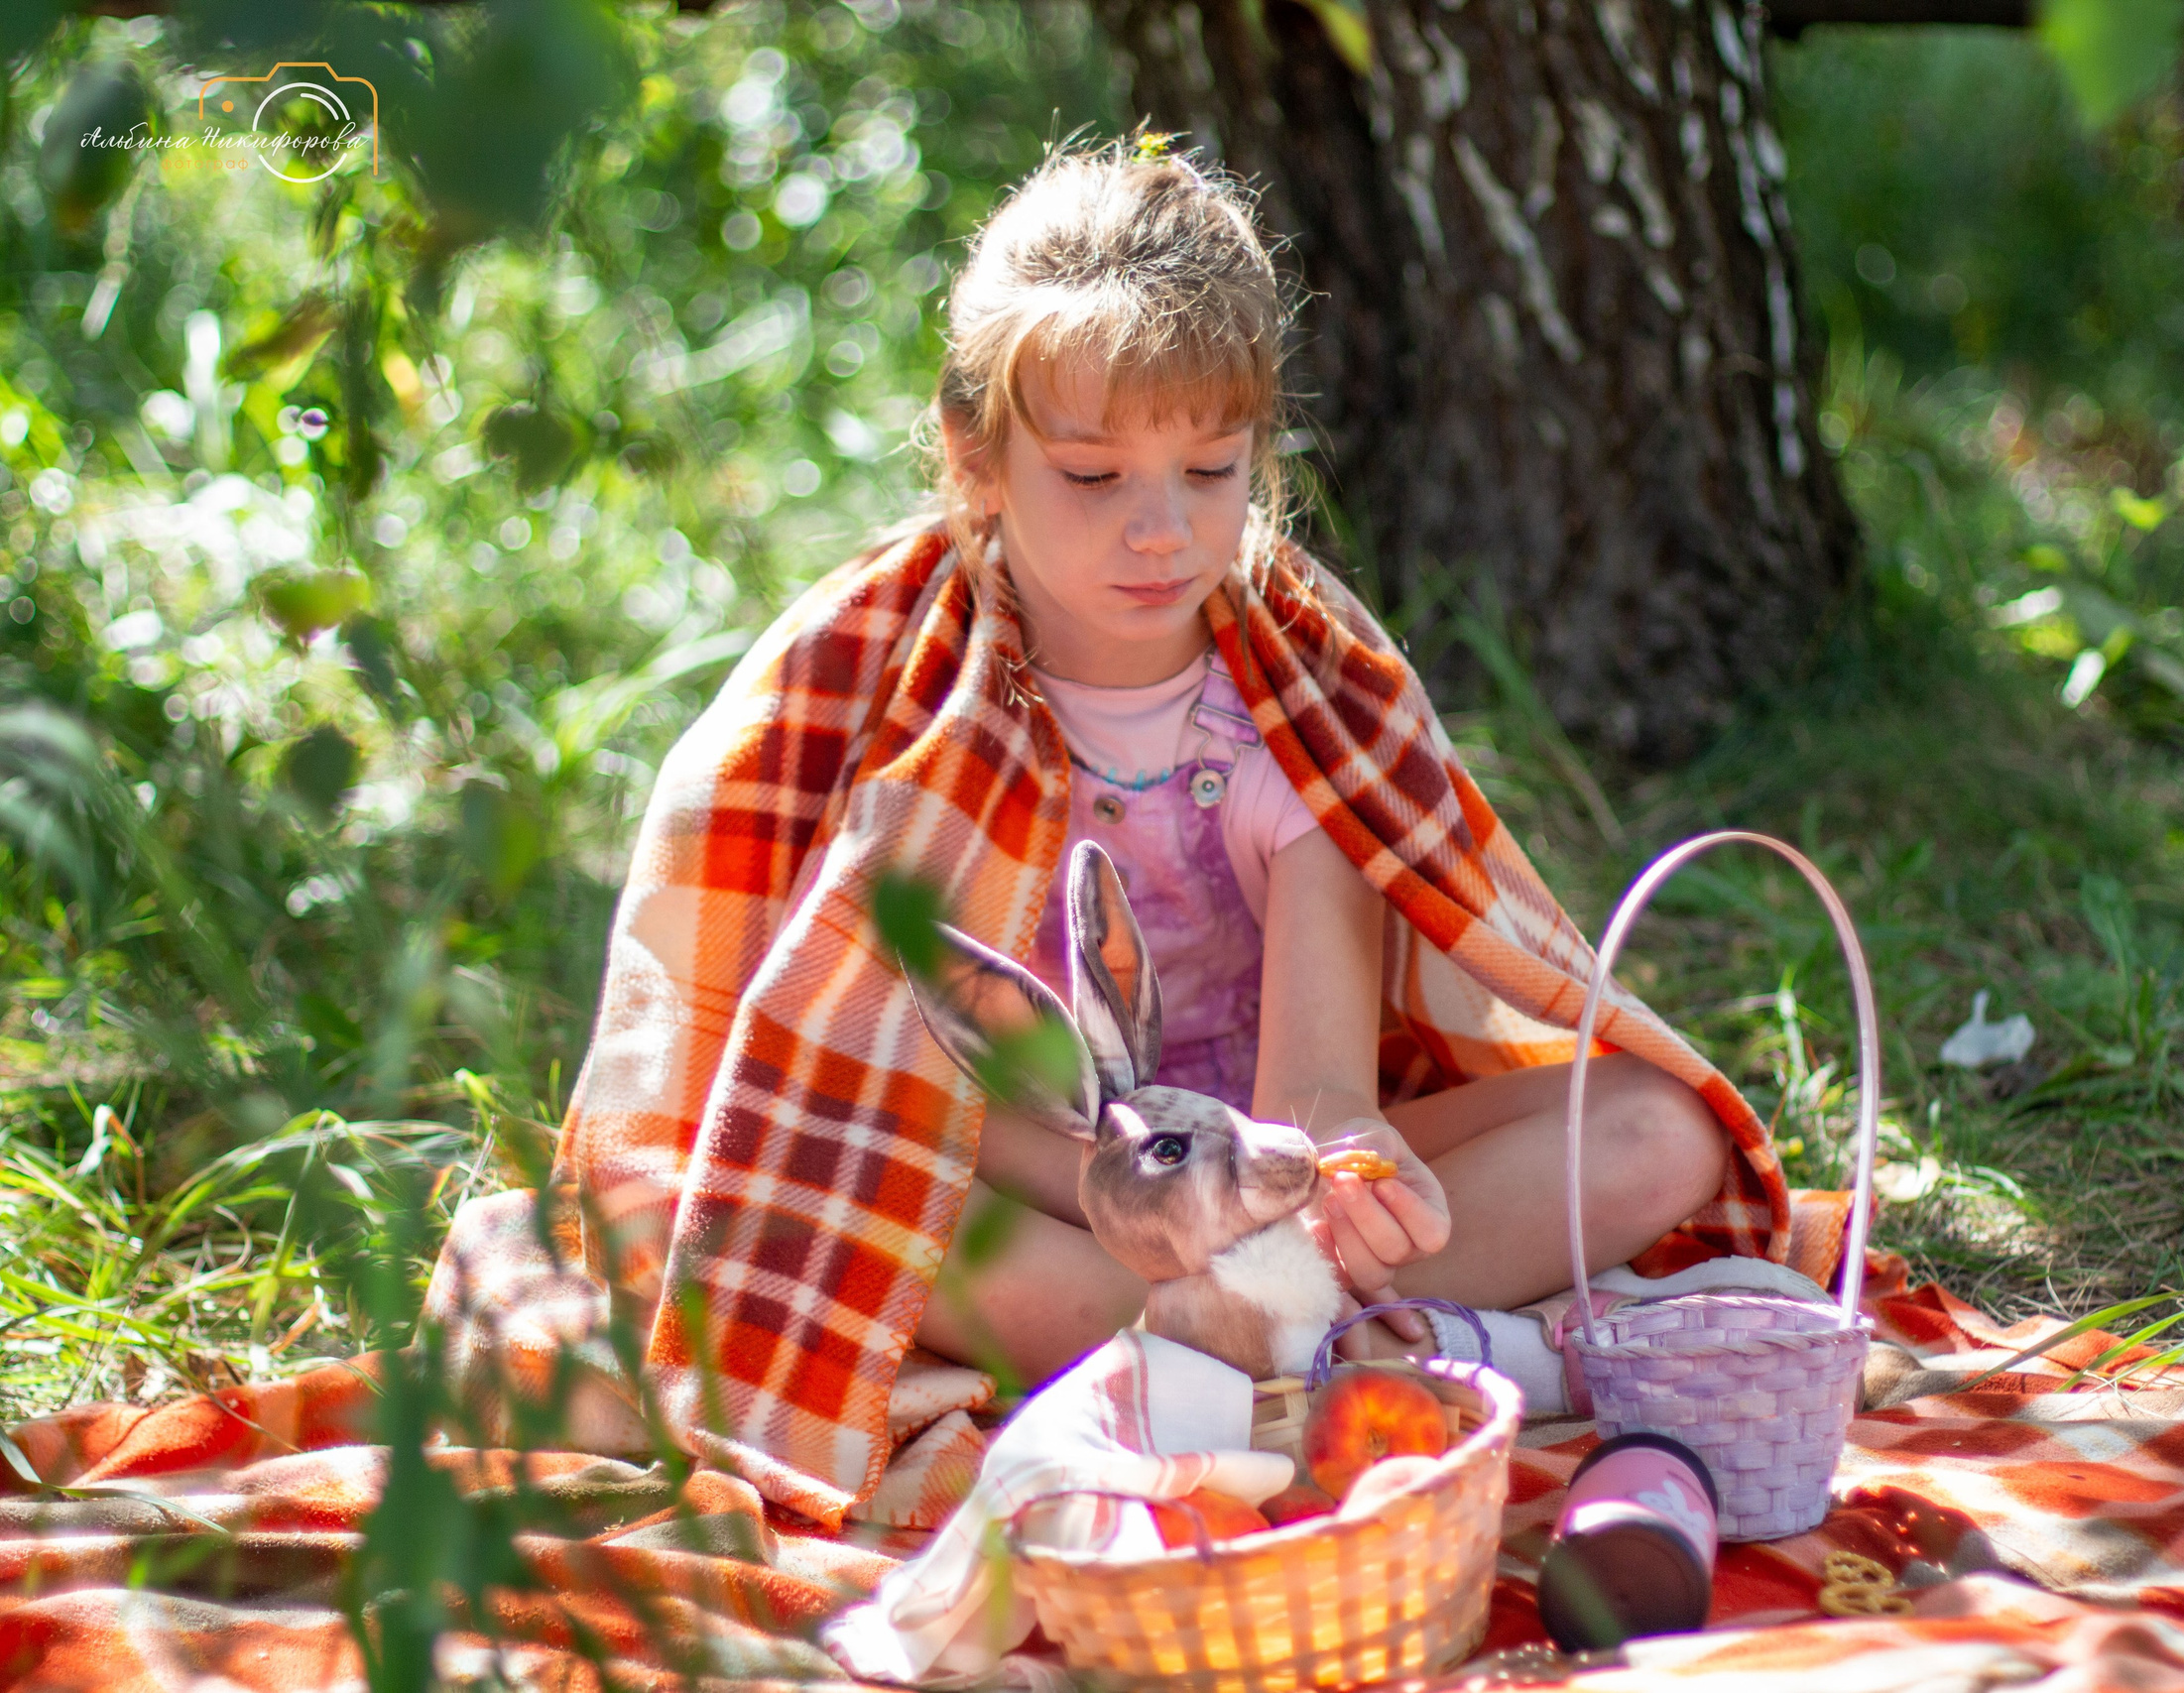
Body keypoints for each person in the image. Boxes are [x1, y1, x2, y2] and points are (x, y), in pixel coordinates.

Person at [538, 140, 1791, 1524]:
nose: (1162, 533)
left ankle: (1243, 1365)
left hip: (1265, 1189)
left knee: (1653, 1131)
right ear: (976, 457)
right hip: (1037, 1176)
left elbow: (1319, 1096)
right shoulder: (903, 700)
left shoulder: (1300, 699)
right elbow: (877, 1086)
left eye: (1211, 469)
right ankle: (1416, 1361)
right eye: (1091, 477)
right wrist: (1129, 1187)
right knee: (908, 1244)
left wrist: (1344, 1183)